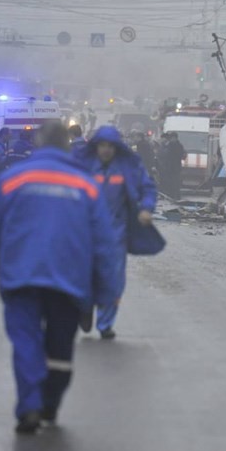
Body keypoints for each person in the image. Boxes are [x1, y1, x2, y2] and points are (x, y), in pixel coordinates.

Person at [0, 122, 118, 434]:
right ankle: (51, 403)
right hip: (68, 279)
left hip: (20, 276)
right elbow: (104, 243)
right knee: (59, 347)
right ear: (67, 145)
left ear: (38, 144)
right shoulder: (86, 185)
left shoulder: (13, 178)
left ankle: (29, 406)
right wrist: (104, 289)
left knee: (26, 341)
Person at [75, 125, 157, 339]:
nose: (106, 150)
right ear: (96, 146)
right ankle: (85, 307)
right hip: (86, 233)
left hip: (116, 235)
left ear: (117, 147)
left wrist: (147, 208)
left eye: (110, 146)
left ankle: (105, 324)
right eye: (102, 145)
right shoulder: (83, 167)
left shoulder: (128, 168)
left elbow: (147, 188)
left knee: (113, 281)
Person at [157, 132, 186, 200]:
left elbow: (181, 155)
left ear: (175, 138)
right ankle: (171, 195)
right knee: (170, 181)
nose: (170, 139)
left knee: (175, 182)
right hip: (169, 166)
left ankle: (176, 195)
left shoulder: (178, 145)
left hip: (175, 166)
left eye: (171, 138)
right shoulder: (169, 145)